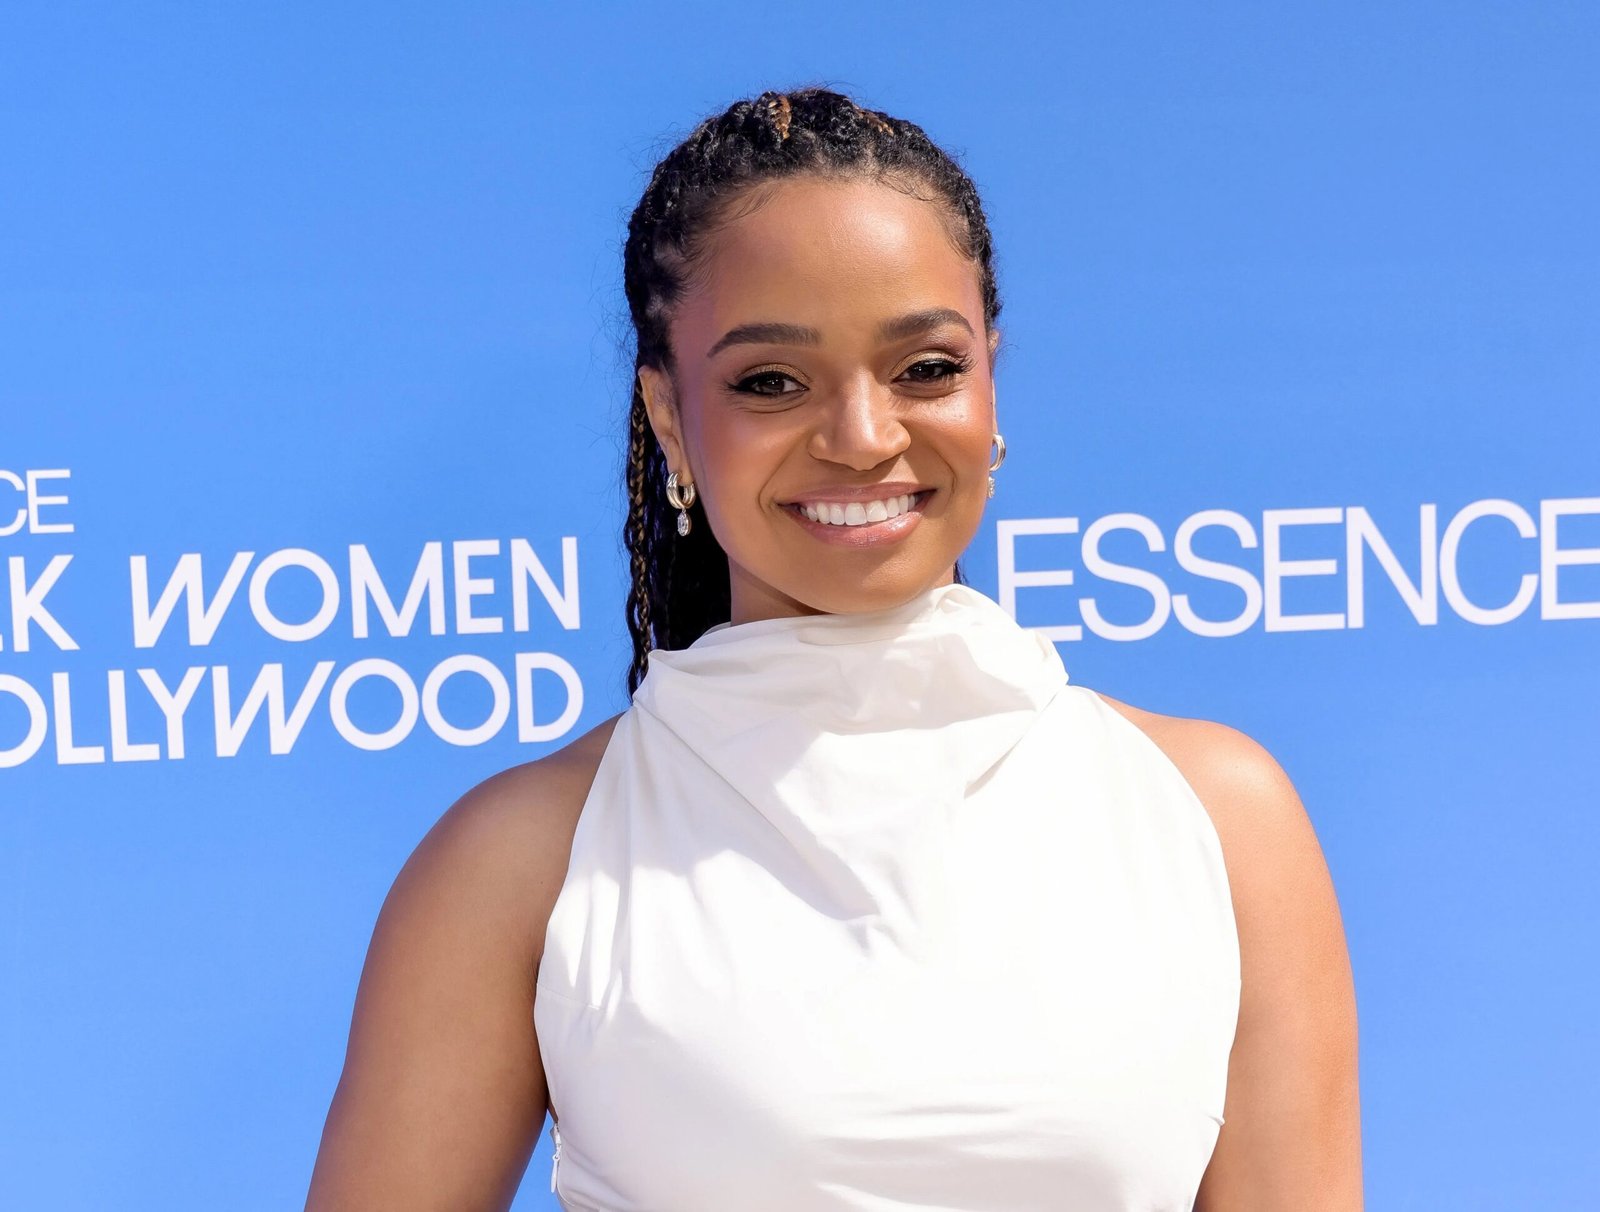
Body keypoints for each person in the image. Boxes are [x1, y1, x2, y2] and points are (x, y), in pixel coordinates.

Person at [304, 87, 1361, 1210]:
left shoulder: (1214, 815)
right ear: (668, 417)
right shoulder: (521, 862)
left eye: (926, 368)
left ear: (990, 381)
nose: (863, 437)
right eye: (771, 382)